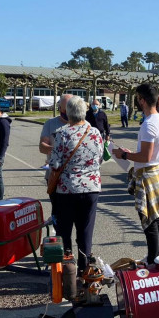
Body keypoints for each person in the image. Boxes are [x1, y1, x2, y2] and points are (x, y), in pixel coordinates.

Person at [112, 83, 159, 264]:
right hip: (154, 171)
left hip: (147, 175)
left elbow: (145, 156)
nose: (137, 102)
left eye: (138, 98)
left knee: (149, 222)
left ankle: (153, 261)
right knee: (155, 219)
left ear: (143, 100)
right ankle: (156, 257)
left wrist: (124, 154)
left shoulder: (149, 124)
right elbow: (148, 154)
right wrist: (131, 153)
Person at [49, 96, 104, 271]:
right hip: (91, 188)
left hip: (67, 189)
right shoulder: (95, 133)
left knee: (65, 231)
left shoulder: (62, 133)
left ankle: (67, 269)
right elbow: (100, 158)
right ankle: (84, 268)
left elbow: (55, 163)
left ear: (67, 112)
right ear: (85, 111)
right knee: (85, 231)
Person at [40, 94, 73, 174]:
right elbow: (42, 147)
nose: (67, 113)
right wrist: (58, 150)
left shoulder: (83, 125)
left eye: (70, 110)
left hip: (74, 173)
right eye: (65, 110)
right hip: (54, 173)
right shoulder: (50, 123)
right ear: (60, 108)